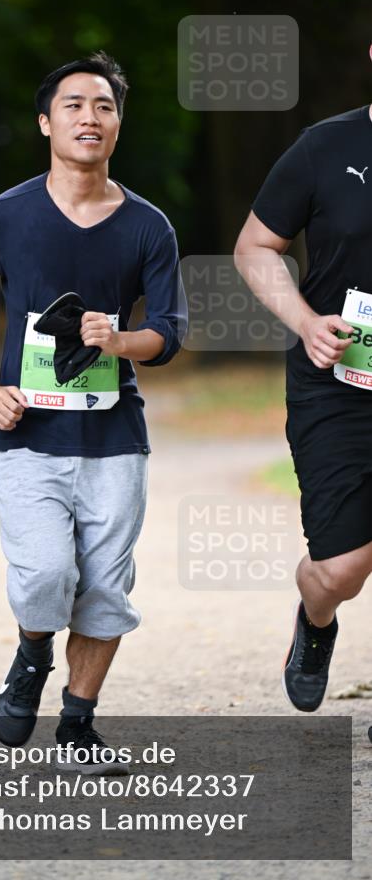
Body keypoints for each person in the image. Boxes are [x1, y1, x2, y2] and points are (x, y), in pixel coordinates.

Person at [0, 53, 185, 770]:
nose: (88, 118)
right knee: (44, 577)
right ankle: (31, 650)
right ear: (46, 122)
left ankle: (76, 727)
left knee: (104, 588)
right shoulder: (5, 217)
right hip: (28, 437)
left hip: (114, 438)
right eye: (72, 105)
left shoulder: (146, 226)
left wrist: (119, 337)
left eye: (102, 106)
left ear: (117, 123)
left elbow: (167, 333)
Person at [235, 99, 372, 713]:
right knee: (339, 570)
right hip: (338, 381)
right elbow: (256, 247)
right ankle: (316, 622)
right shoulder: (326, 146)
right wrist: (306, 321)